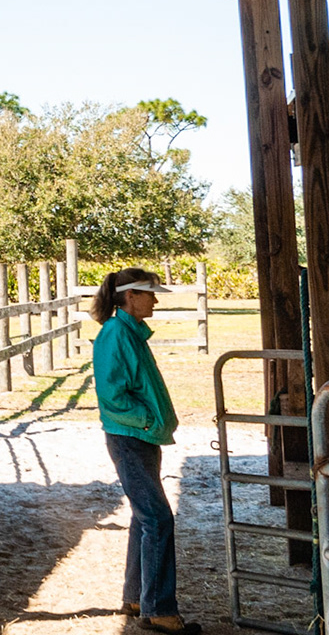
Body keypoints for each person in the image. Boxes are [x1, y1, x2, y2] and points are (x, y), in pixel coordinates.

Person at [91, 267, 200, 634]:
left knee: (144, 518)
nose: (154, 300)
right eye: (149, 294)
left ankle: (137, 596)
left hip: (140, 437)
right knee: (158, 519)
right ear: (129, 297)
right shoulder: (116, 335)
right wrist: (149, 421)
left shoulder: (128, 333)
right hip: (131, 437)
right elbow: (112, 396)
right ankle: (158, 609)